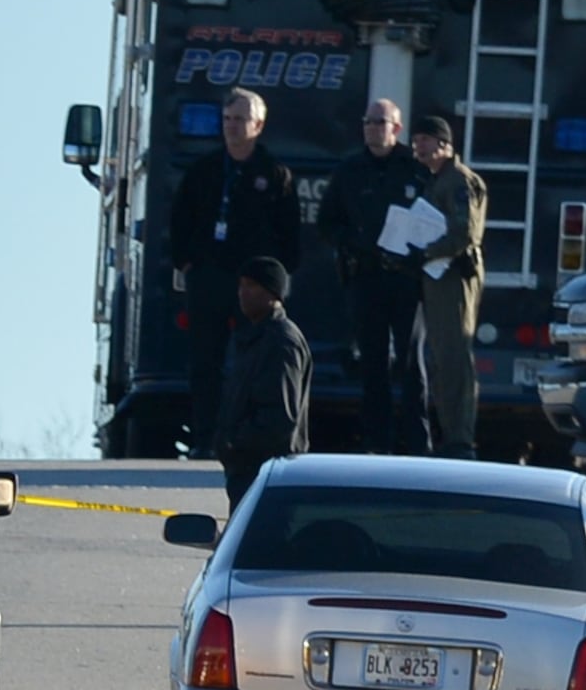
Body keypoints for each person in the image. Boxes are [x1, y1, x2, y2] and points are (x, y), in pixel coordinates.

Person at [169, 89, 302, 451]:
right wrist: (187, 262)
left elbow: (290, 232)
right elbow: (179, 221)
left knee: (253, 362)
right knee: (205, 361)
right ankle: (204, 439)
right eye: (227, 119)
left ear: (258, 125)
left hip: (254, 283)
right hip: (209, 276)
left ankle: (243, 438)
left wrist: (275, 278)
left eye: (240, 119)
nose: (231, 126)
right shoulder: (204, 170)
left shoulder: (274, 174)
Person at [316, 96, 433, 452]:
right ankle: (377, 442)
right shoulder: (349, 170)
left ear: (396, 128)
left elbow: (436, 217)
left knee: (412, 363)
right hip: (366, 278)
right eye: (368, 122)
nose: (372, 129)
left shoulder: (415, 168)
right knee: (373, 362)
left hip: (407, 278)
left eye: (380, 122)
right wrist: (353, 241)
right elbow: (327, 222)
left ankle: (418, 442)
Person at [410, 115, 489, 457]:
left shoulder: (458, 181)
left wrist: (427, 251)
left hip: (455, 276)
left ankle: (460, 438)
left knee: (455, 356)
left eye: (425, 140)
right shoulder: (436, 180)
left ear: (444, 144)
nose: (418, 147)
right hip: (437, 276)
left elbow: (464, 232)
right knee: (442, 356)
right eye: (416, 140)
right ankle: (450, 433)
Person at [213, 258, 313, 508]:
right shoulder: (253, 339)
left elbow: (280, 417)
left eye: (251, 286)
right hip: (246, 470)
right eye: (241, 285)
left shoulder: (281, 341)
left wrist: (236, 442)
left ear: (273, 293)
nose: (243, 293)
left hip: (267, 473)